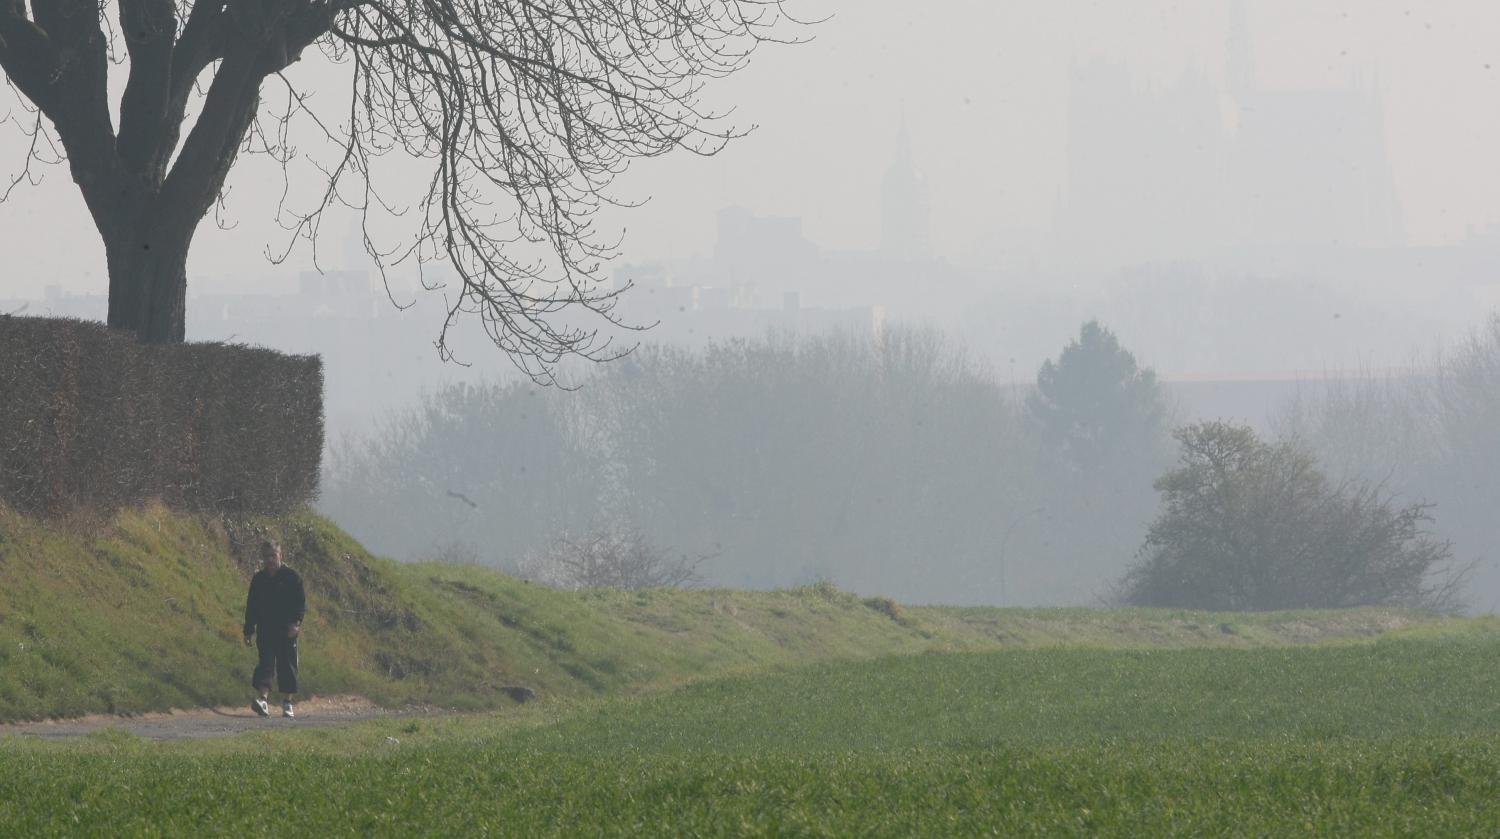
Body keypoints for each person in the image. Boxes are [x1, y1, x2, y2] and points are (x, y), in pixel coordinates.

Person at [243, 539, 306, 718]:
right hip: (265, 628)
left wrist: (296, 623)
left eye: (273, 555)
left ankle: (287, 703)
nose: (270, 560)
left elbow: (300, 603)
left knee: (287, 666)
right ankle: (263, 700)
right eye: (266, 556)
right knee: (266, 664)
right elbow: (252, 606)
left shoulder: (292, 577)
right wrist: (248, 630)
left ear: (280, 555)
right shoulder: (259, 579)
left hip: (286, 629)